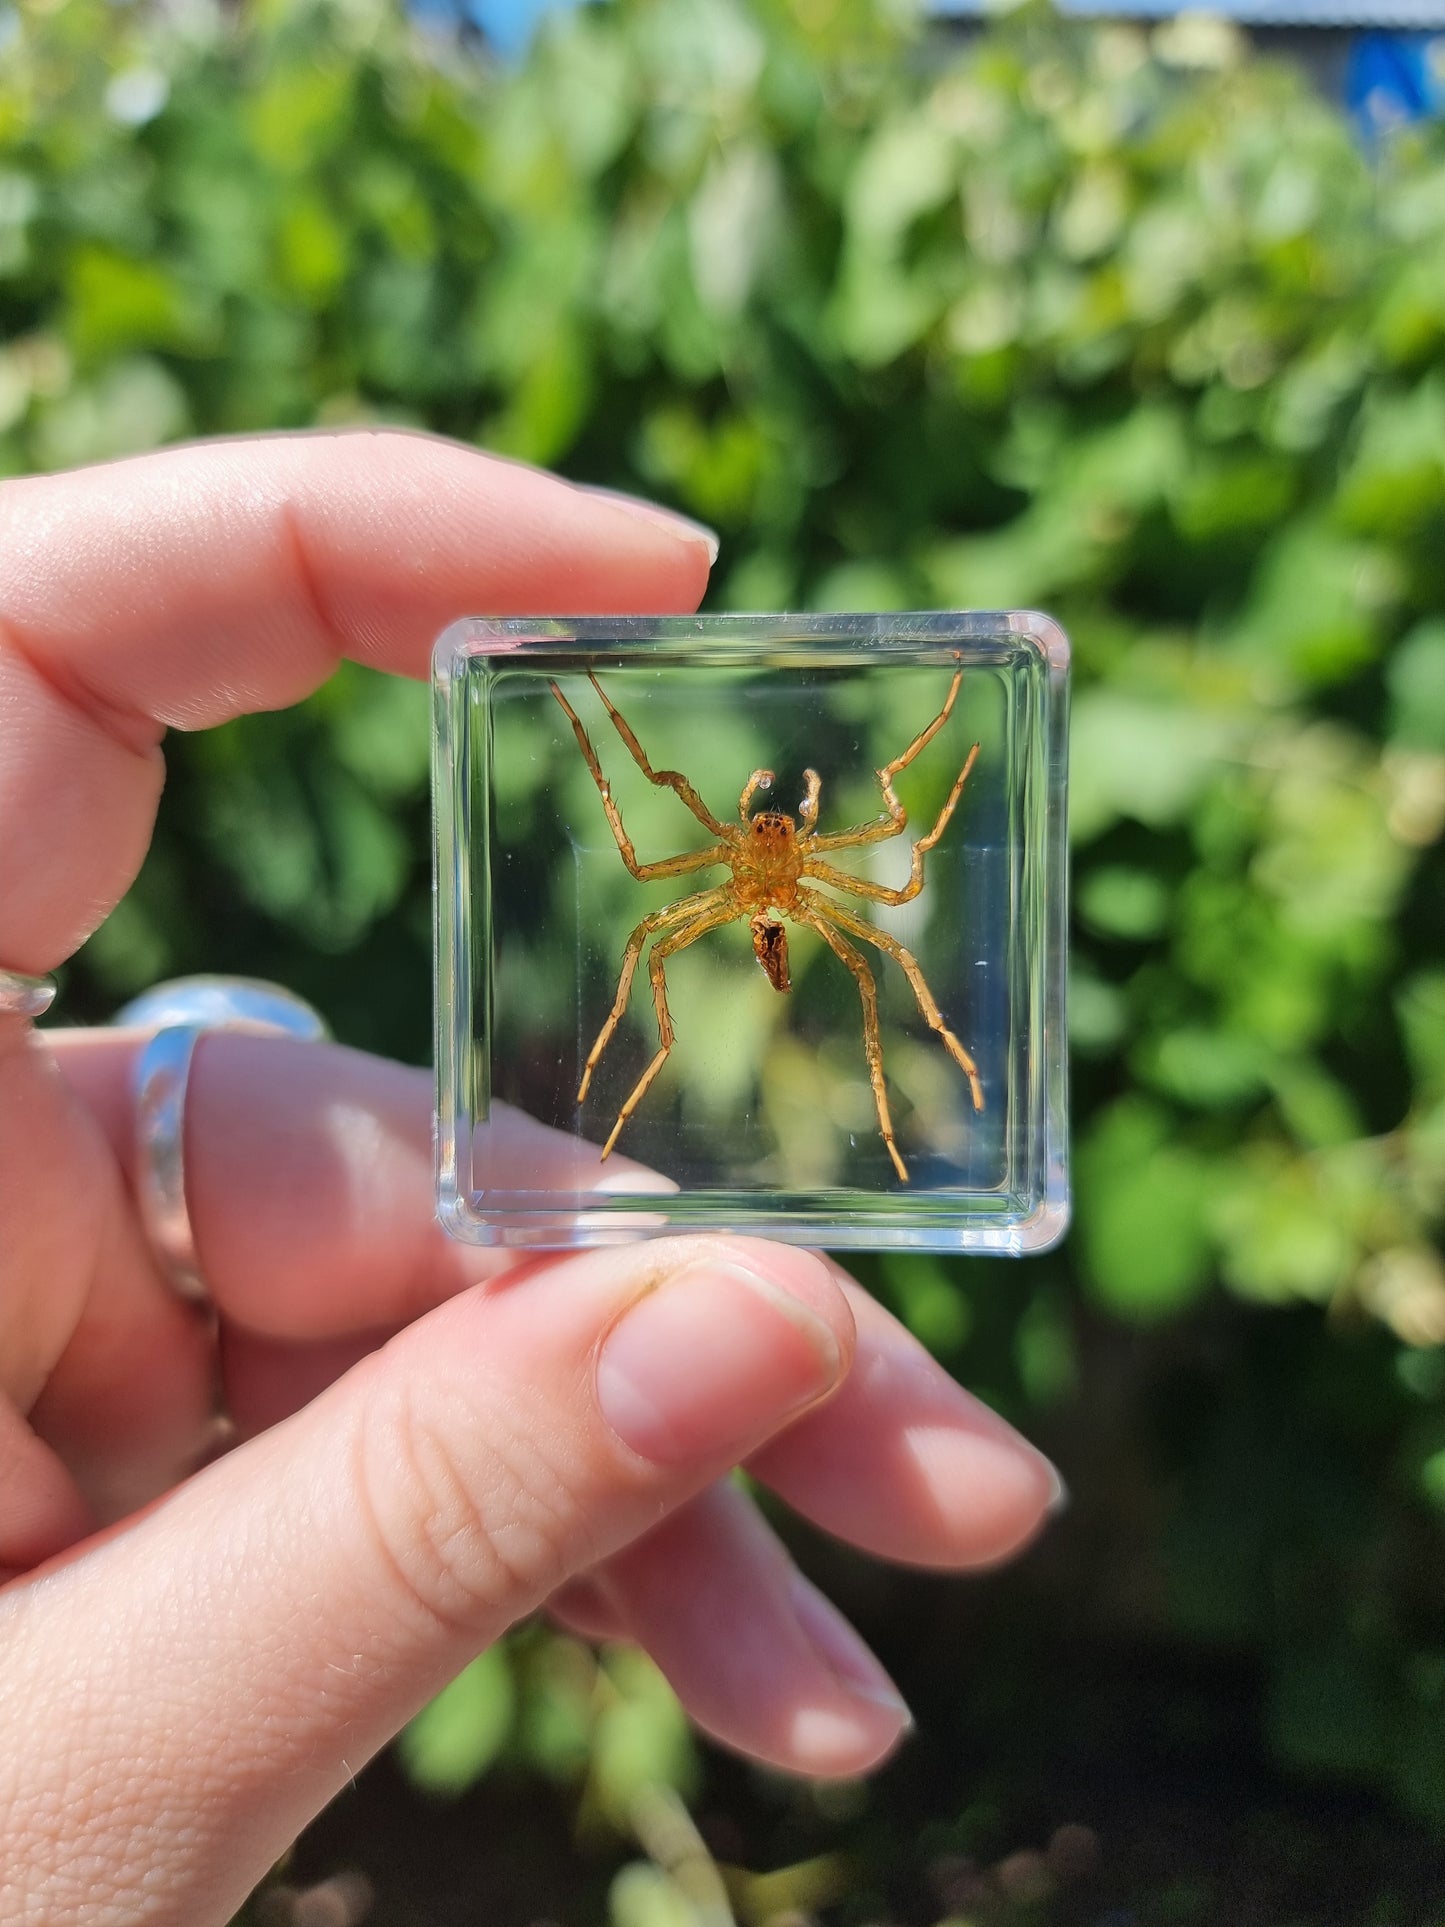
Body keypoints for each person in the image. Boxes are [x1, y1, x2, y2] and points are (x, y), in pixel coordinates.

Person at [0, 431, 1061, 1924]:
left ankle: (815, 1113)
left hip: (795, 933)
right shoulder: (758, 859)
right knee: (685, 955)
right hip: (740, 940)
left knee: (875, 969)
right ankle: (632, 1116)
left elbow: (888, 845)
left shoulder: (791, 862)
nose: (766, 838)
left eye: (772, 829)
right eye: (765, 829)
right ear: (769, 837)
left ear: (781, 838)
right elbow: (703, 849)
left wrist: (943, 721)